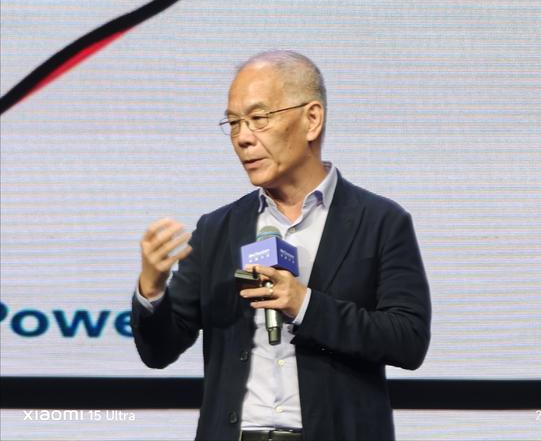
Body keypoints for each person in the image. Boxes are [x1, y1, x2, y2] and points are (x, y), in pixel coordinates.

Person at [132, 50, 431, 441]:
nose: (242, 138)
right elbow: (159, 351)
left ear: (311, 119)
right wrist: (152, 289)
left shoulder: (380, 221)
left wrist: (305, 305)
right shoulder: (218, 229)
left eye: (258, 118)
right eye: (234, 123)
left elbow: (408, 340)